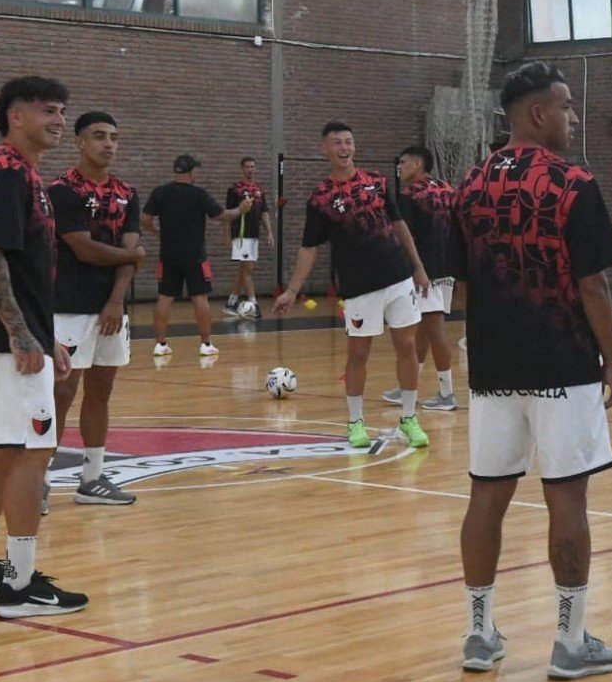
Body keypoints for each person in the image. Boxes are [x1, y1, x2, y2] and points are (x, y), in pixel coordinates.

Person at [451, 61, 612, 680]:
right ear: (536, 115)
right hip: (564, 363)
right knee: (567, 496)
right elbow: (594, 284)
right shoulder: (573, 182)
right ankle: (569, 643)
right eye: (568, 106)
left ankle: (478, 634)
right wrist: (610, 359)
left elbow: (464, 286)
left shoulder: (468, 184)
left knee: (486, 496)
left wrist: (494, 343)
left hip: (492, 368)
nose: (574, 118)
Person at [0, 75, 88, 618]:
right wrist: (22, 333)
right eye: (48, 109)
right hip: (8, 339)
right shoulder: (6, 170)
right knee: (34, 450)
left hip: (14, 335)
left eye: (61, 109)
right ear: (15, 116)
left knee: (4, 449)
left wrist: (43, 333)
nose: (58, 119)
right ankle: (20, 584)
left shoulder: (22, 174)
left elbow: (25, 270)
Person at [273, 122, 431, 450]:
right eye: (337, 143)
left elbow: (399, 225)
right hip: (359, 287)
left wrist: (418, 268)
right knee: (359, 354)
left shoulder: (378, 181)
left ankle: (409, 418)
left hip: (399, 278)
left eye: (348, 142)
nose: (344, 148)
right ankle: (356, 422)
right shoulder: (320, 198)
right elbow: (309, 247)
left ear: (354, 147)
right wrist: (291, 289)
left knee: (408, 347)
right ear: (325, 150)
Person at [48, 111, 145, 509]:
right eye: (99, 136)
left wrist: (116, 299)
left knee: (101, 392)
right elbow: (83, 247)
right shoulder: (62, 190)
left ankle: (92, 478)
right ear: (79, 142)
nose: (108, 144)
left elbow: (131, 255)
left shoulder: (127, 193)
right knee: (61, 392)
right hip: (68, 307)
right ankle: (37, 478)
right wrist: (131, 254)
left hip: (110, 310)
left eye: (114, 137)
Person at [142, 155, 250, 358]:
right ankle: (206, 344)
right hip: (195, 256)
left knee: (164, 297)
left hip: (169, 255)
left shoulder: (160, 193)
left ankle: (160, 344)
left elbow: (145, 219)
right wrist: (239, 209)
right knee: (200, 297)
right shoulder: (199, 194)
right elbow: (221, 215)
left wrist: (157, 233)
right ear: (191, 172)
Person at [379, 145, 459, 411]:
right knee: (423, 328)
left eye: (403, 162)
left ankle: (447, 394)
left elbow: (405, 236)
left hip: (424, 271)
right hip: (447, 267)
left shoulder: (409, 195)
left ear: (418, 164)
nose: (399, 167)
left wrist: (411, 269)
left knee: (434, 329)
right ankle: (407, 387)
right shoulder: (448, 189)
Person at [223, 156, 273, 317]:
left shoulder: (259, 190)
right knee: (248, 270)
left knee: (244, 269)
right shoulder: (235, 189)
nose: (250, 169)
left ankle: (231, 303)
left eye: (252, 166)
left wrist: (269, 232)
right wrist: (227, 234)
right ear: (242, 168)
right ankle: (254, 303)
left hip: (254, 235)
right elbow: (227, 214)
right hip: (241, 235)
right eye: (247, 166)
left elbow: (264, 212)